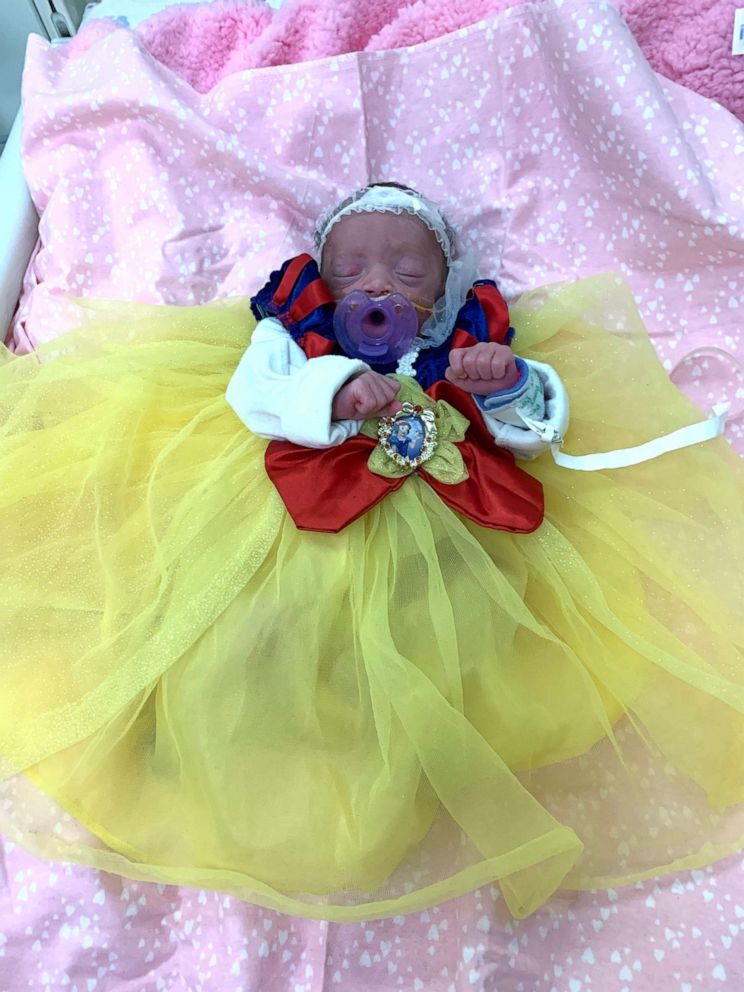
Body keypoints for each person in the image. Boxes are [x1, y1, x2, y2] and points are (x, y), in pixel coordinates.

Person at [0, 183, 743, 923]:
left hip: (448, 532)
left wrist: (511, 385)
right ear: (325, 281)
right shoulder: (297, 335)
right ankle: (190, 726)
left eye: (407, 273)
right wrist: (332, 389)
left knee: (455, 635)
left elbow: (534, 435)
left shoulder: (463, 342)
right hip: (291, 521)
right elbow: (253, 394)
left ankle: (425, 752)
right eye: (351, 271)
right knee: (251, 616)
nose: (378, 284)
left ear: (443, 289)